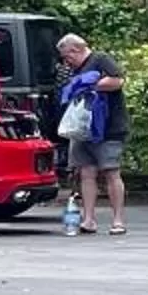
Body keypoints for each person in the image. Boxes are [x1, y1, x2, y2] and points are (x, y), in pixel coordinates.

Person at [55, 31, 129, 234]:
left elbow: (118, 80)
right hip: (81, 129)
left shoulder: (100, 59)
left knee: (111, 172)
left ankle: (118, 221)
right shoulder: (74, 70)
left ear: (76, 49)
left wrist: (88, 86)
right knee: (86, 172)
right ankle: (88, 219)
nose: (66, 61)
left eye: (67, 56)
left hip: (108, 128)